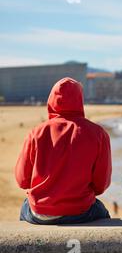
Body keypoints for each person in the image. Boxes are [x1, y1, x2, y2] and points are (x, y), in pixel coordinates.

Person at [16, 77, 112, 224]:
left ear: (51, 100)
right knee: (103, 213)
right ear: (80, 100)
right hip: (80, 211)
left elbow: (22, 180)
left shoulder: (37, 132)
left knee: (24, 209)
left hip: (40, 211)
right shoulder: (98, 133)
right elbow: (101, 185)